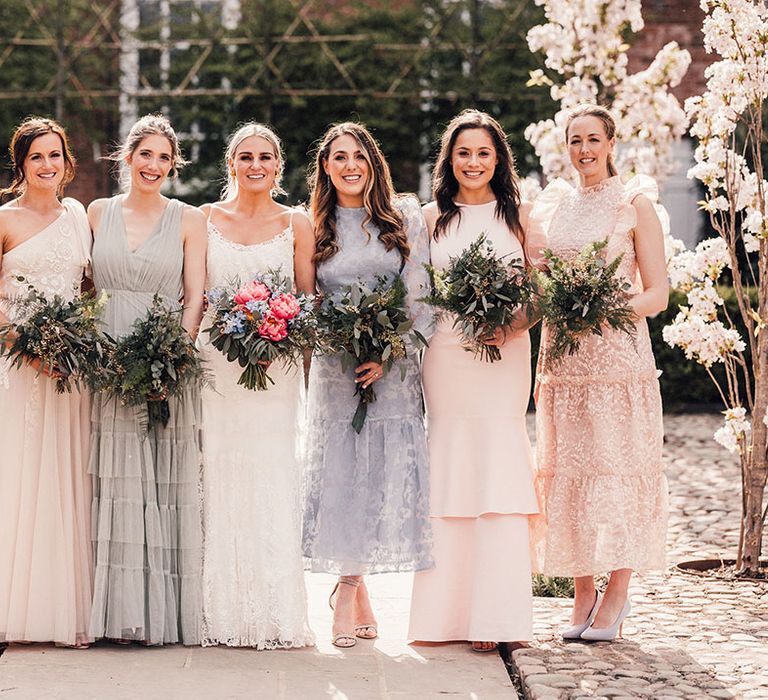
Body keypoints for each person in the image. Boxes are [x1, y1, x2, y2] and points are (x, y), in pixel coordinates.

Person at [530, 103, 669, 642]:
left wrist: (603, 309)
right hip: (563, 362)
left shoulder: (635, 203)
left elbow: (657, 294)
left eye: (592, 139)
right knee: (568, 472)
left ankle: (617, 596)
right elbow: (541, 277)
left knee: (618, 469)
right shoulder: (556, 204)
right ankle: (582, 592)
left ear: (612, 142)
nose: (583, 150)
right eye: (574, 141)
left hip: (617, 360)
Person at [408, 109, 544, 652]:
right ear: (450, 159)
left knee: (498, 471)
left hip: (505, 356)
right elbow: (417, 294)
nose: (473, 162)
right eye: (463, 152)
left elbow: (540, 291)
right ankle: (443, 618)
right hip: (446, 356)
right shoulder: (428, 218)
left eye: (483, 152)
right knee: (452, 469)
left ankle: (496, 617)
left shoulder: (523, 218)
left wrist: (511, 324)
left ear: (498, 159)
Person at [302, 122, 433, 648]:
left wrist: (389, 351)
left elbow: (420, 293)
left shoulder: (405, 218)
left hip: (393, 369)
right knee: (344, 477)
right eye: (338, 157)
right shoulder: (314, 226)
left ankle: (351, 587)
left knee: (378, 477)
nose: (350, 165)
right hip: (337, 370)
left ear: (373, 162)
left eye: (359, 155)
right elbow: (309, 300)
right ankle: (350, 590)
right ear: (325, 168)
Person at [88, 114, 207, 645]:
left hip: (163, 361)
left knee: (157, 481)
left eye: (164, 157)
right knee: (113, 478)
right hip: (106, 359)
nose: (154, 166)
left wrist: (173, 358)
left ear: (173, 164)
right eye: (145, 155)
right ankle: (111, 612)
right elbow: (82, 285)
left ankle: (160, 614)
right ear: (127, 157)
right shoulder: (95, 213)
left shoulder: (188, 219)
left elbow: (195, 295)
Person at [197, 123, 315, 649]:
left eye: (265, 156)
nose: (255, 165)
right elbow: (196, 298)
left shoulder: (298, 222)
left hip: (277, 370)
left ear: (278, 165)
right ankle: (217, 613)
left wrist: (284, 340)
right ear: (231, 164)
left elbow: (306, 303)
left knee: (271, 472)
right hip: (217, 367)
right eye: (245, 156)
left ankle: (274, 613)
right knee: (217, 471)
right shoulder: (204, 219)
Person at [0, 117, 93, 648]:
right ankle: (16, 607)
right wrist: (26, 347)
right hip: (20, 369)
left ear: (66, 161)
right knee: (19, 477)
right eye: (37, 156)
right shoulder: (4, 218)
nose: (47, 165)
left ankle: (64, 609)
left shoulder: (78, 215)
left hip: (70, 370)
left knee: (66, 479)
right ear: (21, 163)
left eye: (55, 155)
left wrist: (72, 344)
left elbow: (85, 290)